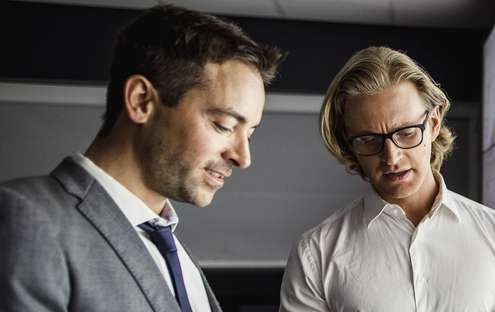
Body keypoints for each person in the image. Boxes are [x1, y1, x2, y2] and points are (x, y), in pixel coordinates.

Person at [0, 5, 285, 311]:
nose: (243, 158)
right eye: (223, 126)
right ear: (141, 101)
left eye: (250, 134)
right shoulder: (27, 218)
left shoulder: (176, 255)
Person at [279, 46, 495, 311]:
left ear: (434, 123)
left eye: (406, 132)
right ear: (349, 144)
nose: (391, 157)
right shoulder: (316, 254)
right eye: (369, 140)